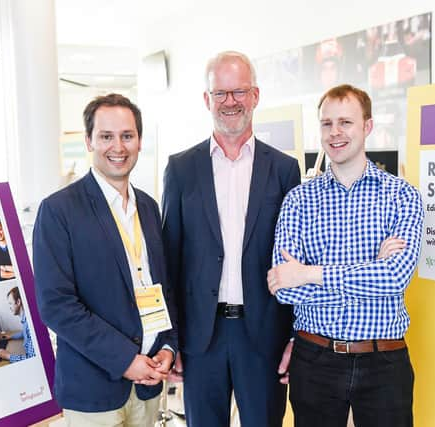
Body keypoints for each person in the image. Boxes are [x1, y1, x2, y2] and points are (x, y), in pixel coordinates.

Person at [267, 84, 424, 427]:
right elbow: (285, 288)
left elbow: (396, 277)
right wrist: (373, 270)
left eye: (346, 122)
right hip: (315, 359)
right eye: (326, 124)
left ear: (367, 126)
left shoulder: (402, 196)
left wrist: (310, 273)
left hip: (384, 361)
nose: (335, 133)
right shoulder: (299, 200)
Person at [162, 51, 301, 427]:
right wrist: (170, 340)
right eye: (220, 93)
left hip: (264, 335)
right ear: (207, 100)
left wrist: (293, 337)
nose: (230, 102)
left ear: (255, 96)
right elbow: (169, 262)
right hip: (200, 336)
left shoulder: (285, 169)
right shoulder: (180, 169)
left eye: (238, 91)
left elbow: (294, 259)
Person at [33, 94, 178, 426]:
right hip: (94, 388)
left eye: (127, 136)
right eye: (106, 136)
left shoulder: (149, 207)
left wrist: (169, 347)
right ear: (88, 141)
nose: (119, 147)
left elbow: (164, 289)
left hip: (149, 383)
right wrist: (126, 360)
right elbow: (57, 305)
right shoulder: (59, 210)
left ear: (140, 142)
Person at [0, 286, 35, 362]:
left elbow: (32, 359)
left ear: (18, 302)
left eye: (10, 303)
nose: (9, 307)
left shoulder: (29, 325)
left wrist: (8, 356)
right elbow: (24, 333)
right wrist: (11, 336)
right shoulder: (26, 320)